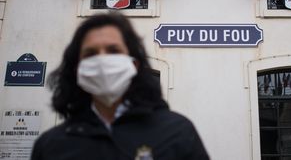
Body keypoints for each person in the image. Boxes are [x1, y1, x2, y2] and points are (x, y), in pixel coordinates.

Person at [31, 12, 209, 160]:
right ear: (78, 69)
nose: (102, 59)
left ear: (134, 64)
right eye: (90, 53)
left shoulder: (178, 132)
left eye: (113, 51)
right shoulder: (50, 146)